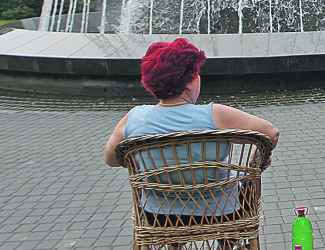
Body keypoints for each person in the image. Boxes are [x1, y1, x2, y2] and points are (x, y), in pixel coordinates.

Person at [104, 39, 280, 230]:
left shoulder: (134, 117)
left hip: (159, 217)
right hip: (222, 214)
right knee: (241, 191)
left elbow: (111, 159)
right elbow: (271, 133)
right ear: (189, 82)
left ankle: (173, 244)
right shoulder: (215, 115)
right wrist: (255, 161)